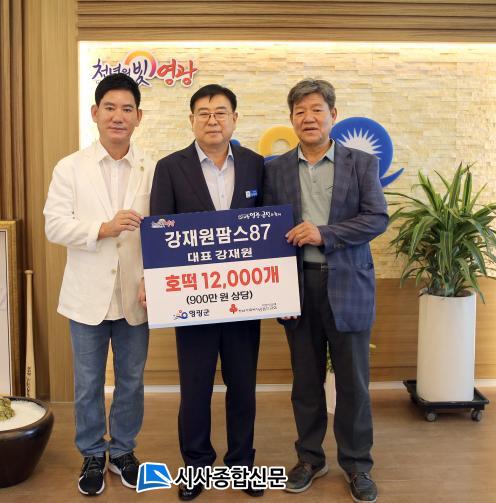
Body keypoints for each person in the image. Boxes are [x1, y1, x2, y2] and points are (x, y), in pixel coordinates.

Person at [263, 79, 388, 503]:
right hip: (297, 287)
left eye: (317, 109)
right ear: (291, 119)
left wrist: (324, 233)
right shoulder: (276, 169)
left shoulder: (361, 163)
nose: (309, 118)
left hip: (348, 284)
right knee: (305, 381)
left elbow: (376, 218)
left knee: (353, 383)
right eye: (300, 112)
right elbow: (266, 230)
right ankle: (310, 458)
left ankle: (357, 464)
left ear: (333, 114)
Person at [149, 84, 265, 501]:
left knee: (243, 387)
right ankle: (196, 466)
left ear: (234, 118)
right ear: (191, 120)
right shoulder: (169, 168)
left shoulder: (256, 165)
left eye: (220, 112)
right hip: (192, 301)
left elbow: (269, 229)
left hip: (244, 300)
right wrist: (155, 285)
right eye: (203, 113)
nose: (212, 120)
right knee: (195, 388)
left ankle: (241, 465)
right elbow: (159, 231)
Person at [43, 73, 154, 496]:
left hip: (135, 294)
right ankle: (92, 453)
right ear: (95, 113)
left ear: (139, 117)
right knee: (88, 383)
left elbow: (163, 233)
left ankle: (123, 450)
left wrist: (152, 280)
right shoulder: (70, 167)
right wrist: (103, 228)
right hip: (86, 294)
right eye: (110, 107)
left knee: (131, 380)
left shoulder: (152, 168)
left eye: (127, 109)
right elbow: (54, 226)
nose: (118, 116)